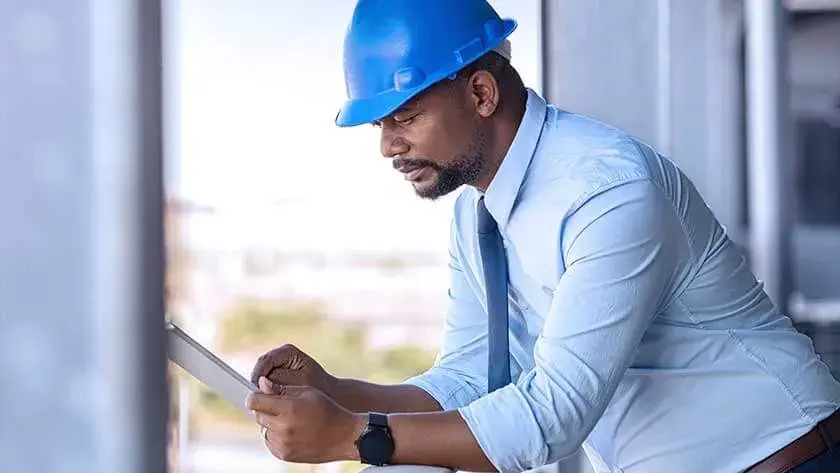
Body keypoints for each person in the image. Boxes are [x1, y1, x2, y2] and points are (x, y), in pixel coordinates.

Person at [246, 1, 840, 471]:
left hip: (790, 459)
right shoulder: (476, 213)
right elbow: (471, 379)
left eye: (404, 116)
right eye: (380, 124)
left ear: (480, 93)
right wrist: (342, 394)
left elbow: (554, 415)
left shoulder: (606, 191)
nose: (387, 146)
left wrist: (354, 438)